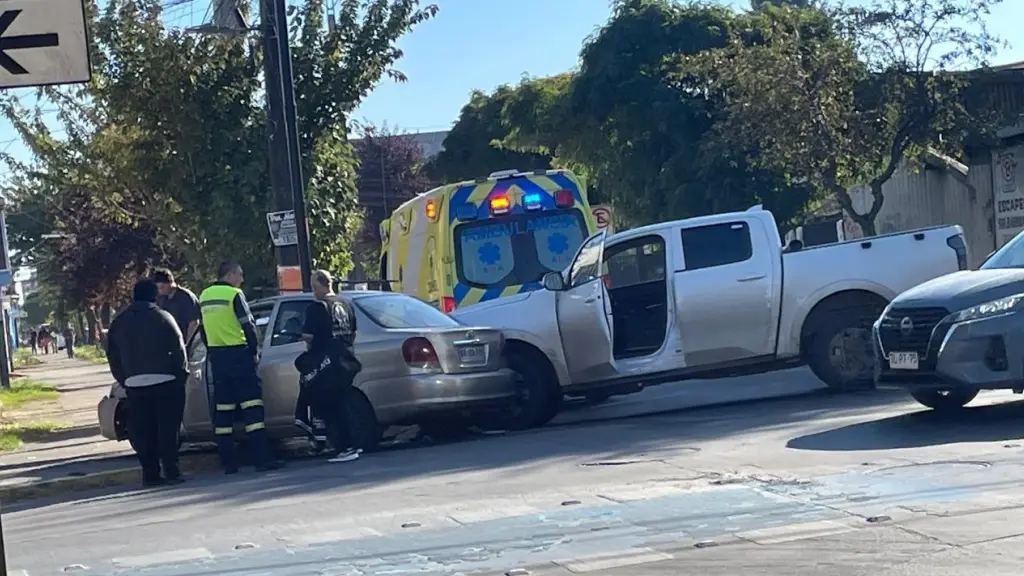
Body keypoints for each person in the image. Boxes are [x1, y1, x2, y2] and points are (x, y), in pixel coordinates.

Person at [199, 260, 281, 474]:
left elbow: (203, 330)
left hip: (218, 358)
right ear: (230, 275)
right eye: (240, 275)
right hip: (239, 356)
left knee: (223, 412)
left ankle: (228, 463)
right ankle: (262, 459)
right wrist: (254, 350)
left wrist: (213, 349)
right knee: (252, 408)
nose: (242, 279)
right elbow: (248, 324)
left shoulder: (204, 296)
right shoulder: (234, 295)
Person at [107, 279, 188, 487]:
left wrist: (124, 379)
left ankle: (150, 474)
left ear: (133, 297)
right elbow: (179, 348)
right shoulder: (163, 317)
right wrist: (180, 375)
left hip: (135, 384)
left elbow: (112, 356)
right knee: (168, 429)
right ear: (154, 296)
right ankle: (172, 470)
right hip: (166, 380)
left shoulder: (119, 322)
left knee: (143, 431)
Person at [294, 269, 362, 463]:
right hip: (347, 359)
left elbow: (308, 336)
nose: (313, 291)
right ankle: (350, 443)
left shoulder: (317, 307)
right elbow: (353, 332)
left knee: (332, 404)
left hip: (327, 364)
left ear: (321, 285)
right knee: (344, 402)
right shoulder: (345, 304)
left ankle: (345, 447)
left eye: (314, 286)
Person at [153, 268, 201, 343]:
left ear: (171, 282)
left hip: (186, 340)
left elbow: (193, 323)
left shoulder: (185, 297)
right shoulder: (161, 298)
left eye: (162, 287)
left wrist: (187, 343)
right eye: (158, 288)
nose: (160, 291)